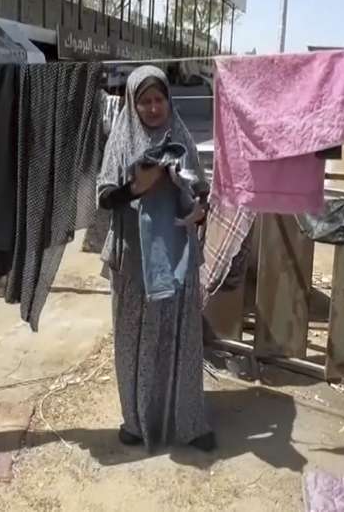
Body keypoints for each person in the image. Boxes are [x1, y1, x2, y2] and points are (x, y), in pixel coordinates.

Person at [96, 66, 215, 452]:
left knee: (181, 339)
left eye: (158, 99)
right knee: (134, 342)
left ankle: (189, 422)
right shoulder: (122, 138)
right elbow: (104, 195)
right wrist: (137, 187)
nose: (152, 108)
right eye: (144, 101)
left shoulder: (180, 135)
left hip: (177, 255)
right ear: (133, 104)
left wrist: (199, 209)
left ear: (168, 100)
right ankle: (136, 421)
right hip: (133, 259)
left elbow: (202, 191)